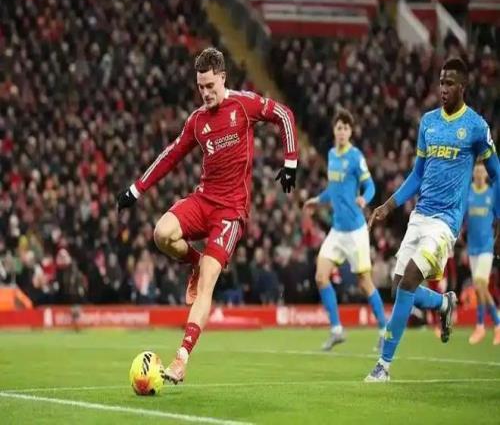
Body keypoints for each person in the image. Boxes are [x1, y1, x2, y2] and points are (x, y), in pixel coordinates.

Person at [116, 47, 298, 384]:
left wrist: (291, 162)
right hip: (204, 200)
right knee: (161, 233)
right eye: (200, 87)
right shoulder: (197, 121)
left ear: (223, 78)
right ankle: (194, 261)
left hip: (230, 211)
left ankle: (181, 359)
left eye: (210, 86)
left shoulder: (243, 105)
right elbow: (171, 155)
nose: (205, 93)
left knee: (208, 284)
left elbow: (284, 115)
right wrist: (136, 190)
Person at [365, 57, 500, 382]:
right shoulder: (428, 122)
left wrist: (498, 218)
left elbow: (496, 174)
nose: (443, 89)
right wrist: (388, 206)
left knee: (410, 279)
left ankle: (383, 366)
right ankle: (442, 304)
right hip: (420, 216)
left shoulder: (476, 127)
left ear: (463, 87)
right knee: (398, 287)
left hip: (445, 222)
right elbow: (417, 173)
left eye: (449, 83)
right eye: (441, 82)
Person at [303, 109, 386, 351]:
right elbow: (333, 189)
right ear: (334, 130)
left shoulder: (355, 157)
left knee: (364, 282)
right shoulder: (331, 155)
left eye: (346, 128)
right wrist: (317, 200)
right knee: (321, 276)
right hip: (337, 231)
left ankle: (385, 331)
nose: (342, 132)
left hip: (355, 231)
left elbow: (370, 186)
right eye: (339, 127)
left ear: (351, 132)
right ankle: (337, 330)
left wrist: (364, 199)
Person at [465, 163, 500, 345]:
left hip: (487, 247)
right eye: (477, 171)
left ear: (486, 174)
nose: (479, 174)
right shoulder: (467, 192)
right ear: (473, 173)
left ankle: (495, 324)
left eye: (482, 171)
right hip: (472, 248)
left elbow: (498, 218)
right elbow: (462, 218)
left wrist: (497, 241)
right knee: (480, 290)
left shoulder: (492, 193)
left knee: (480, 284)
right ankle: (482, 326)